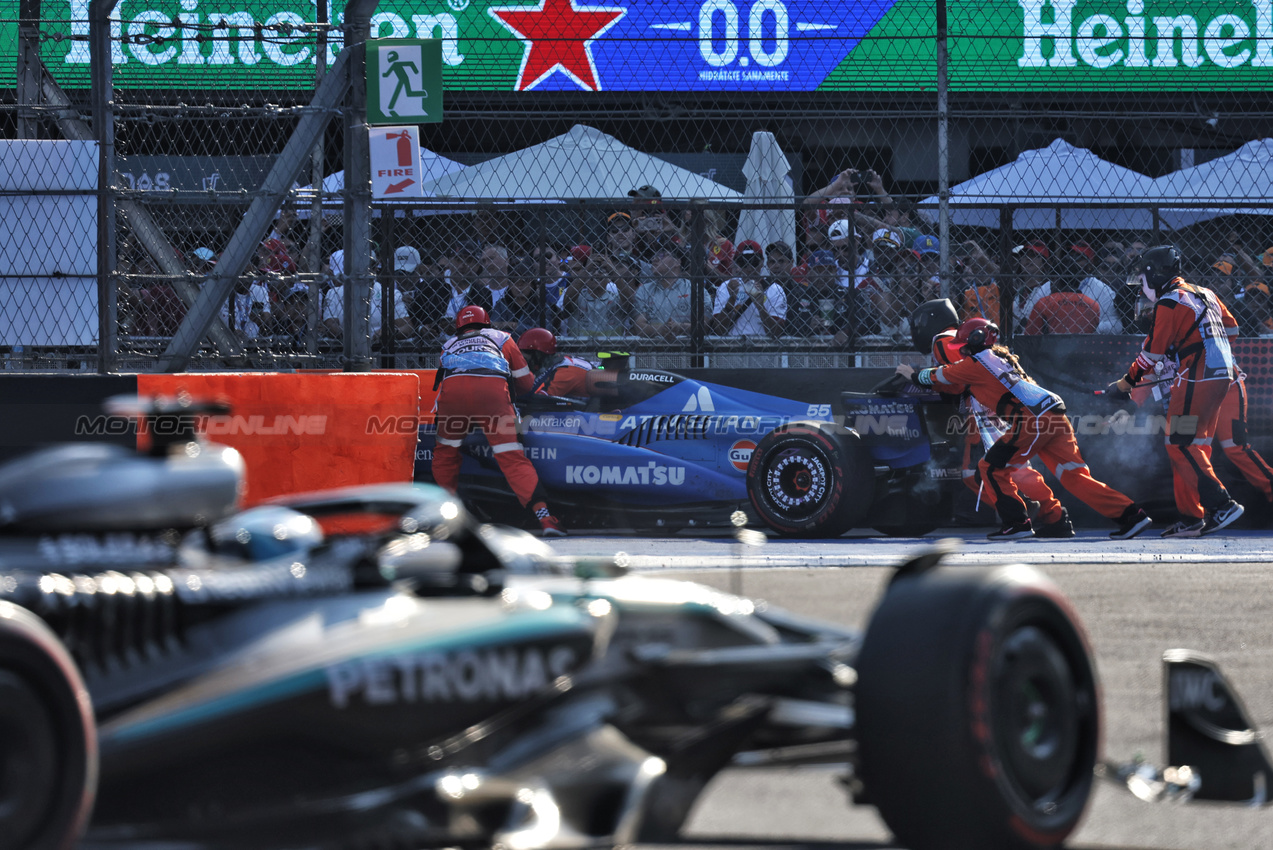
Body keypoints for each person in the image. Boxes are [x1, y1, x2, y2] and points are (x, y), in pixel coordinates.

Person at [899, 317, 1153, 541]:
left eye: (963, 346)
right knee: (1075, 478)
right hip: (1053, 416)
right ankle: (1132, 515)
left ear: (973, 344)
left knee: (990, 467)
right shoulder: (999, 357)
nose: (961, 351)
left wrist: (910, 373)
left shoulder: (975, 364)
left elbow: (937, 377)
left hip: (1033, 422)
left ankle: (1017, 523)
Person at [1106, 244, 1244, 538]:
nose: (1143, 288)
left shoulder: (1168, 302)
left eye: (1143, 279)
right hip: (1223, 374)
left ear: (1152, 274)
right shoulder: (1205, 292)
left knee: (1180, 442)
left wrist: (1123, 385)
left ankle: (1221, 505)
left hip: (1198, 375)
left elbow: (1150, 357)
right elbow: (1232, 329)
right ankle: (1191, 518)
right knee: (1191, 445)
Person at [912, 299, 1074, 537]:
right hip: (998, 407)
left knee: (974, 472)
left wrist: (917, 377)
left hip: (983, 410)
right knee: (1014, 466)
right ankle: (1053, 514)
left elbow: (958, 380)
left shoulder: (941, 340)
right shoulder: (957, 337)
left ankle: (1026, 510)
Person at [433, 306, 565, 537]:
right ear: (488, 322)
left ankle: (444, 521)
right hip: (492, 398)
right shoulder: (503, 338)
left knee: (445, 453)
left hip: (453, 398)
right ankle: (546, 520)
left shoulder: (449, 344)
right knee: (512, 458)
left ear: (459, 326)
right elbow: (525, 382)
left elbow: (443, 381)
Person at [632, 242, 710, 340]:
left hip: (687, 350)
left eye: (662, 255)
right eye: (654, 255)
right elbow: (639, 326)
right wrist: (661, 330)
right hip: (652, 350)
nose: (654, 259)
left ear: (677, 262)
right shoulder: (644, 290)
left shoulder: (696, 290)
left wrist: (680, 327)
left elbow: (704, 326)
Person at [712, 240, 787, 337]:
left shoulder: (774, 289)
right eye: (743, 262)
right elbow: (718, 331)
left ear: (762, 262)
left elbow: (777, 332)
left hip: (764, 347)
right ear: (737, 264)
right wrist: (731, 301)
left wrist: (760, 307)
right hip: (732, 346)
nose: (749, 267)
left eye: (754, 262)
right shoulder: (726, 287)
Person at [518, 327, 616, 400]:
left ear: (539, 355)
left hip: (600, 409)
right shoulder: (560, 364)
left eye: (526, 354)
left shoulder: (563, 372)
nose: (523, 360)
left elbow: (538, 401)